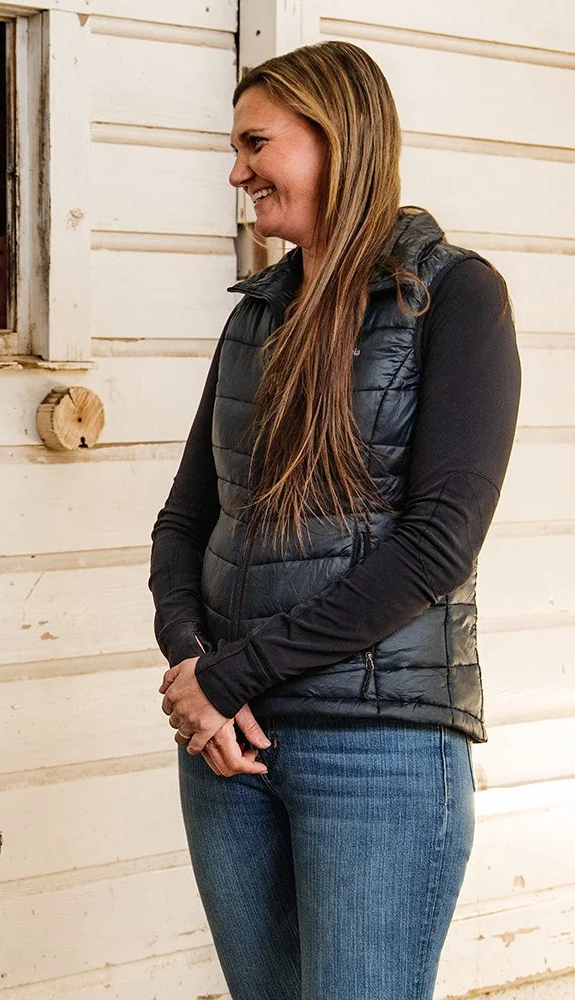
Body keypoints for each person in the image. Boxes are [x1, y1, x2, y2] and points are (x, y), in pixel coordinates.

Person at [148, 42, 519, 1000]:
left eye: (255, 143)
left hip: (380, 750)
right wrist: (195, 666)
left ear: (336, 139)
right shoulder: (259, 315)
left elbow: (438, 544)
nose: (237, 172)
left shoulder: (457, 296)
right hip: (229, 744)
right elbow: (185, 522)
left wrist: (232, 673)